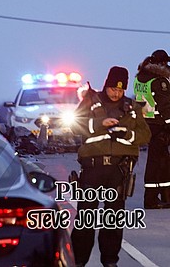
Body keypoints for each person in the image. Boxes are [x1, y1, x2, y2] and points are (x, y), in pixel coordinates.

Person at [71, 66, 150, 267]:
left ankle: (109, 261)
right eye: (114, 88)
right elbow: (74, 126)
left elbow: (145, 134)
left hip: (118, 171)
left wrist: (127, 134)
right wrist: (100, 123)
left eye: (121, 90)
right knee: (86, 218)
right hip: (92, 169)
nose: (117, 93)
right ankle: (78, 261)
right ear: (107, 85)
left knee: (113, 220)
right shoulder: (90, 101)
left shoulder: (131, 108)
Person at [133, 49, 170, 208]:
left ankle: (162, 197)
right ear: (161, 63)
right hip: (159, 126)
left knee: (160, 161)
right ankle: (152, 199)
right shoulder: (159, 81)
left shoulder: (139, 78)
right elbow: (165, 106)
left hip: (146, 125)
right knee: (158, 163)